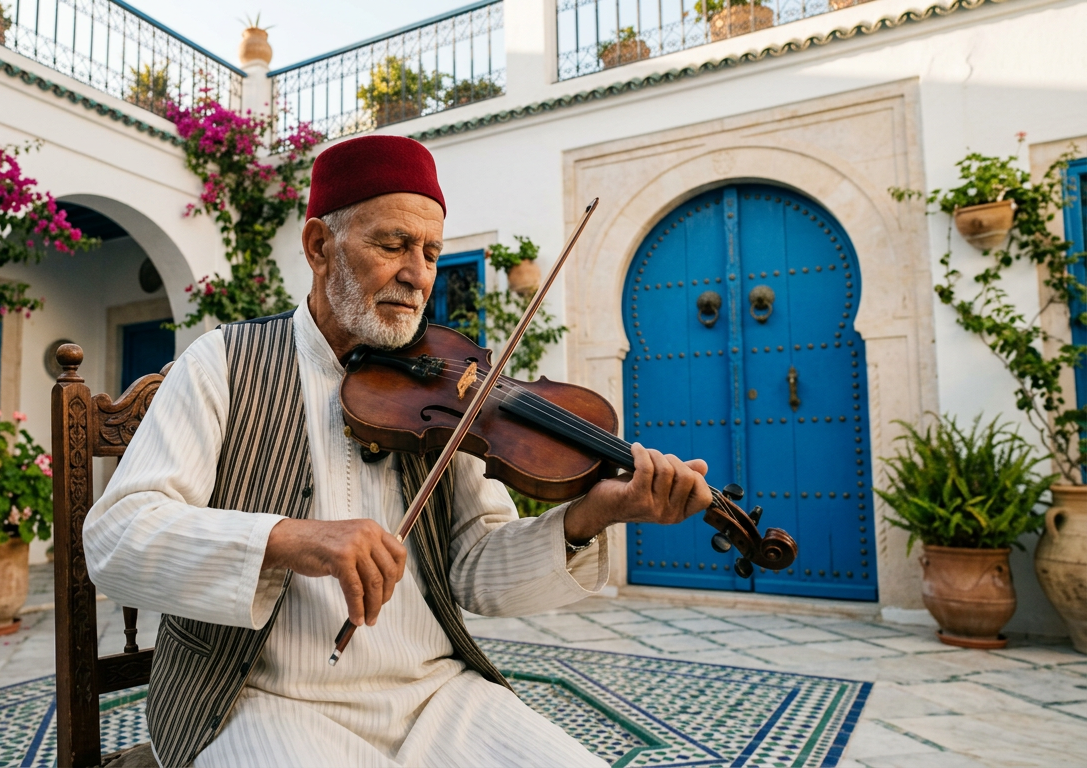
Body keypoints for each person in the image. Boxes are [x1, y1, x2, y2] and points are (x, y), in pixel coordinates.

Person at [83, 134, 712, 768]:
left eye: (431, 253)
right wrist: (289, 538)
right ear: (319, 246)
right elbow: (116, 538)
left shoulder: (450, 387)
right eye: (393, 245)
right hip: (258, 698)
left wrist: (590, 516)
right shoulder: (224, 363)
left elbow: (479, 571)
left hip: (436, 695)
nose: (418, 275)